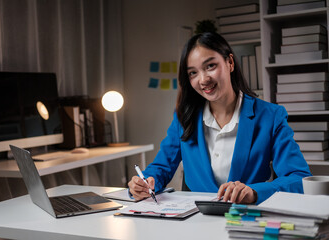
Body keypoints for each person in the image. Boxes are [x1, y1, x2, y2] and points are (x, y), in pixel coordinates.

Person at [128, 32, 312, 204]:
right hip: (196, 221)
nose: (203, 79)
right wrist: (145, 182)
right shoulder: (184, 117)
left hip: (246, 220)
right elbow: (161, 167)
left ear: (230, 63)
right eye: (193, 72)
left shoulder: (270, 116)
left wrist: (254, 192)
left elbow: (298, 178)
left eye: (210, 66)